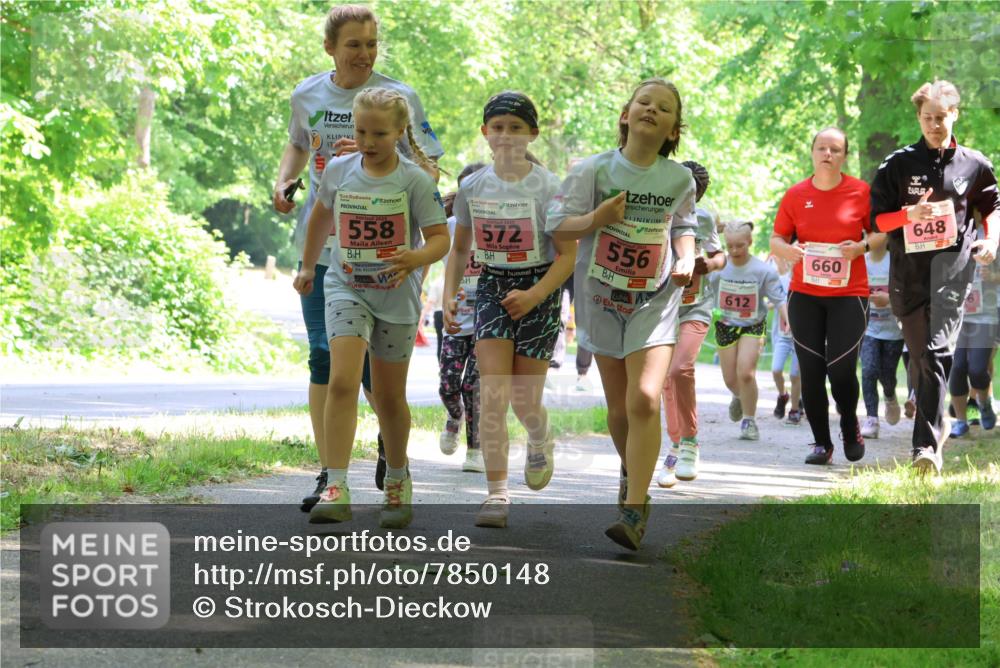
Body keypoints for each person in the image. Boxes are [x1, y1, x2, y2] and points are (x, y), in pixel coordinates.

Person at [273, 4, 443, 508]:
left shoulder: (398, 97)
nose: (365, 54)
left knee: (380, 380)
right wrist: (283, 183)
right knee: (327, 359)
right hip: (328, 249)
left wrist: (374, 156)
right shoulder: (307, 94)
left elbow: (431, 169)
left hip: (387, 256)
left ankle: (393, 456)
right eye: (354, 45)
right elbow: (296, 146)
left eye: (372, 44)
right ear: (331, 47)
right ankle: (331, 475)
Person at [550, 78, 697, 550]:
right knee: (618, 409)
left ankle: (634, 508)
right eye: (644, 103)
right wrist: (596, 220)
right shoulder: (592, 170)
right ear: (625, 114)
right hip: (600, 296)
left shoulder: (679, 179)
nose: (652, 111)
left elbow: (686, 226)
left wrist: (687, 256)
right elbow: (557, 224)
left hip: (654, 299)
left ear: (674, 128)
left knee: (646, 399)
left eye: (665, 108)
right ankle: (633, 474)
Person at [293, 87, 449, 527]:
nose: (368, 141)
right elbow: (321, 217)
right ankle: (337, 484)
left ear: (400, 131)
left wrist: (415, 258)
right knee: (342, 379)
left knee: (388, 396)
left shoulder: (414, 180)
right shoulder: (341, 170)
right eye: (361, 131)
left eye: (379, 133)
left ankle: (398, 476)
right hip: (346, 285)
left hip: (396, 295)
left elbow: (440, 239)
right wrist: (308, 266)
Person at [443, 92, 575, 529]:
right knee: (493, 393)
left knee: (523, 399)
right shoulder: (473, 186)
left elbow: (568, 255)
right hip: (492, 286)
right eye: (497, 127)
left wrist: (535, 295)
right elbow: (460, 246)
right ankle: (497, 493)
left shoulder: (550, 187)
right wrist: (448, 294)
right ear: (484, 133)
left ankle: (539, 436)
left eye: (516, 128)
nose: (505, 136)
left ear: (532, 134)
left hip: (540, 285)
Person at [870, 80, 999, 474]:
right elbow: (878, 220)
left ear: (954, 115)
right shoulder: (897, 164)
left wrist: (991, 241)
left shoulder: (974, 164)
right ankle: (934, 419)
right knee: (923, 357)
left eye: (941, 118)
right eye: (927, 118)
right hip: (907, 275)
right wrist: (908, 216)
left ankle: (925, 449)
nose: (934, 125)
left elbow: (991, 206)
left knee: (939, 352)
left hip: (953, 273)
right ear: (919, 118)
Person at [770, 127, 881, 465]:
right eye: (822, 148)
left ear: (844, 155)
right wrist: (788, 251)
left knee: (842, 369)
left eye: (835, 149)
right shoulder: (796, 194)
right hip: (805, 295)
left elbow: (880, 236)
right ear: (813, 153)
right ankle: (822, 443)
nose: (828, 154)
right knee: (812, 370)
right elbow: (776, 239)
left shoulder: (861, 192)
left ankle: (849, 424)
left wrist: (860, 247)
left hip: (849, 294)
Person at [657, 161, 726, 487]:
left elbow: (719, 255)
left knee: (679, 369)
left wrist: (707, 264)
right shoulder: (654, 211)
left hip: (694, 306)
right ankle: (674, 445)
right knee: (664, 380)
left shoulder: (705, 218)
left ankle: (690, 442)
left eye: (693, 192)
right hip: (658, 309)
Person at [710, 222, 786, 442]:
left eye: (740, 246)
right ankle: (738, 395)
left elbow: (779, 299)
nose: (735, 251)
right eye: (730, 246)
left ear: (750, 242)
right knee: (730, 379)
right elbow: (702, 289)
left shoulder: (763, 271)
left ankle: (749, 421)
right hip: (725, 324)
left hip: (753, 325)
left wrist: (787, 320)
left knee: (746, 373)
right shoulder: (718, 267)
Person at [438, 162, 487, 472]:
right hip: (456, 318)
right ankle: (454, 417)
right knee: (448, 384)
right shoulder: (450, 226)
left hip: (488, 320)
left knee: (475, 386)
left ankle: (475, 450)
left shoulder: (498, 225)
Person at [948, 253, 998, 436]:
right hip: (956, 314)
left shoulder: (992, 234)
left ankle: (984, 403)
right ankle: (961, 422)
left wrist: (994, 276)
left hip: (986, 315)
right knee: (957, 366)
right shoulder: (954, 233)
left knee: (977, 368)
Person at [859, 241, 904, 439]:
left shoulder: (895, 261)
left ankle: (890, 395)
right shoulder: (861, 262)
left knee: (887, 375)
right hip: (869, 328)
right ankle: (872, 419)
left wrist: (889, 299)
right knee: (868, 370)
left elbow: (907, 293)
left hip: (894, 330)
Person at [769, 255, 802, 426]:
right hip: (783, 336)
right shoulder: (781, 281)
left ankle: (795, 409)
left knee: (796, 375)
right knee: (776, 369)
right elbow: (772, 299)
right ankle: (783, 394)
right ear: (788, 261)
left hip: (801, 339)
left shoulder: (808, 284)